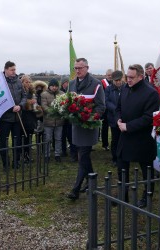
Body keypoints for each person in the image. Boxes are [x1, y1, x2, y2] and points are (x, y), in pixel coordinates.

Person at [116, 64, 160, 207]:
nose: (128, 80)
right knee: (122, 165)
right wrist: (118, 119)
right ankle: (124, 194)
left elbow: (149, 118)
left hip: (142, 137)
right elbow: (118, 108)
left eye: (131, 77)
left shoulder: (151, 93)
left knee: (146, 168)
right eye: (127, 77)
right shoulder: (124, 88)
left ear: (141, 77)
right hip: (125, 135)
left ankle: (147, 196)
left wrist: (128, 126)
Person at [67, 58, 105, 200]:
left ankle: (75, 189)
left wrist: (90, 117)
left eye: (80, 68)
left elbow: (101, 107)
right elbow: (68, 102)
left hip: (89, 126)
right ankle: (91, 180)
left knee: (83, 155)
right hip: (77, 126)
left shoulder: (96, 84)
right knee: (83, 156)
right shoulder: (71, 84)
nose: (77, 70)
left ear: (87, 68)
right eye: (75, 68)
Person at [0, 61, 26, 170]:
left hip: (17, 118)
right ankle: (6, 163)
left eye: (15, 69)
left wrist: (20, 106)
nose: (14, 72)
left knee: (17, 141)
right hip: (5, 118)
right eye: (12, 70)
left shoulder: (18, 82)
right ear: (5, 70)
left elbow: (24, 96)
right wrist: (11, 108)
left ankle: (16, 161)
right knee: (3, 142)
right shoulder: (0, 82)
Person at [41, 78, 64, 162]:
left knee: (58, 138)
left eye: (56, 86)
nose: (54, 88)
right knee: (47, 139)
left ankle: (57, 154)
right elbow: (44, 106)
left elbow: (64, 104)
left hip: (59, 121)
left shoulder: (62, 94)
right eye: (52, 86)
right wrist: (52, 111)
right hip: (48, 121)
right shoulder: (44, 94)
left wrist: (61, 110)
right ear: (49, 86)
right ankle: (47, 155)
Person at [105, 70, 124, 166]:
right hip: (113, 119)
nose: (118, 82)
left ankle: (124, 157)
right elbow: (107, 101)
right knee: (115, 139)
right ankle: (115, 158)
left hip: (124, 119)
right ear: (113, 80)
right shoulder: (109, 89)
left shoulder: (126, 88)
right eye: (116, 80)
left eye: (119, 80)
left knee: (124, 139)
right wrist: (116, 109)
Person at [60, 77, 78, 161]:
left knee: (71, 136)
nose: (66, 84)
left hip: (70, 117)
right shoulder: (60, 92)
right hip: (62, 119)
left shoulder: (72, 91)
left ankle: (73, 153)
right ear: (62, 84)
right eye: (65, 83)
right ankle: (63, 151)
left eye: (68, 82)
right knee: (63, 135)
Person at [21, 75, 38, 163]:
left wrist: (35, 104)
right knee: (24, 137)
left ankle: (27, 154)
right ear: (22, 82)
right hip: (24, 116)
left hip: (31, 116)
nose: (28, 83)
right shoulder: (20, 91)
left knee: (30, 136)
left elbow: (35, 102)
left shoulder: (32, 91)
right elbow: (20, 103)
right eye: (26, 82)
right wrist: (28, 102)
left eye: (29, 82)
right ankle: (24, 155)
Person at [100, 69, 113, 151]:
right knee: (104, 127)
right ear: (106, 75)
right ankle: (105, 144)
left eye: (111, 75)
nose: (110, 76)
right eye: (108, 75)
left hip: (112, 109)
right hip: (105, 109)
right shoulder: (102, 83)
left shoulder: (115, 82)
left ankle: (113, 143)